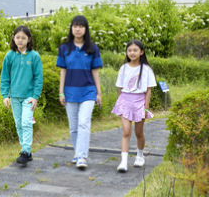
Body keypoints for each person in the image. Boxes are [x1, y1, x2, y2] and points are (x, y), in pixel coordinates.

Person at [57, 15, 103, 170]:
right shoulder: (64, 48)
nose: (78, 29)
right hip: (70, 92)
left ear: (85, 29)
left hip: (88, 91)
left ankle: (82, 156)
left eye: (81, 26)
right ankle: (77, 154)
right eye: (75, 26)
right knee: (74, 127)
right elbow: (63, 71)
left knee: (84, 123)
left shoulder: (92, 48)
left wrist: (99, 93)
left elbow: (95, 72)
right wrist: (61, 92)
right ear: (71, 28)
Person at [0, 25, 43, 166]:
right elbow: (5, 77)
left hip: (29, 97)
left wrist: (35, 96)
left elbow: (38, 78)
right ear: (13, 38)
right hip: (15, 97)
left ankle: (25, 151)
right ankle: (26, 151)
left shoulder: (34, 56)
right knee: (19, 124)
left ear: (29, 39)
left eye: (23, 38)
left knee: (26, 122)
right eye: (17, 37)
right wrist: (5, 95)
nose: (20, 40)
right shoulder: (9, 56)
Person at [112, 39, 156, 172]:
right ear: (126, 52)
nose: (132, 53)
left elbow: (148, 90)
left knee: (138, 133)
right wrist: (121, 102)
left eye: (135, 50)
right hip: (125, 101)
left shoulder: (147, 69)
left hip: (139, 102)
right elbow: (120, 88)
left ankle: (140, 155)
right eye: (129, 50)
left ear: (141, 52)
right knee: (126, 132)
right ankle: (123, 162)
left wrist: (146, 107)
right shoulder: (123, 68)